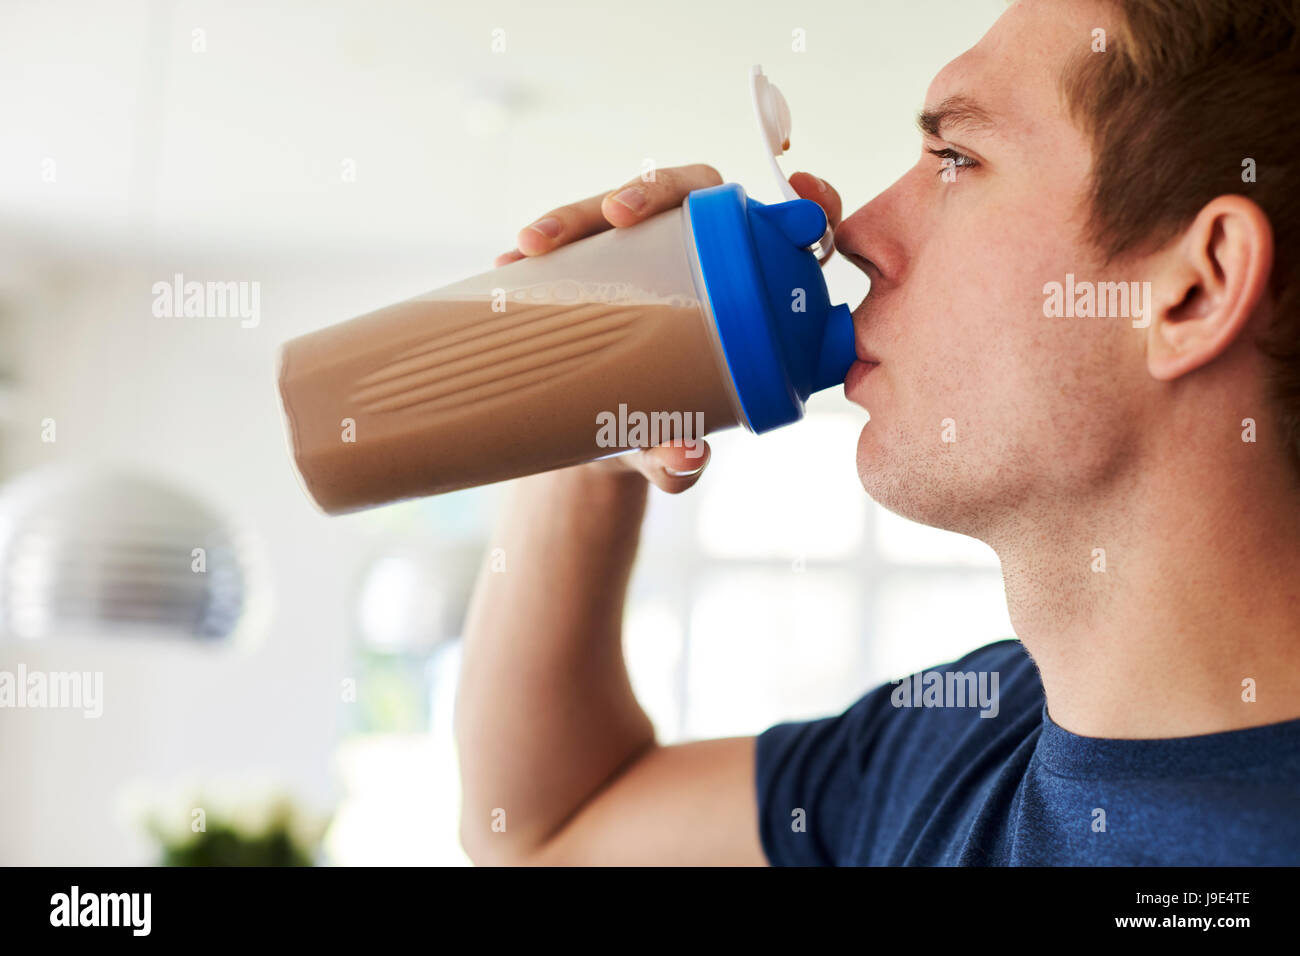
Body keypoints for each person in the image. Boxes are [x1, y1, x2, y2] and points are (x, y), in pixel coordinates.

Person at [454, 0, 1300, 865]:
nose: (853, 232)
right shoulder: (963, 730)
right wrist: (595, 432)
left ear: (1197, 290)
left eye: (957, 158)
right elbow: (548, 830)